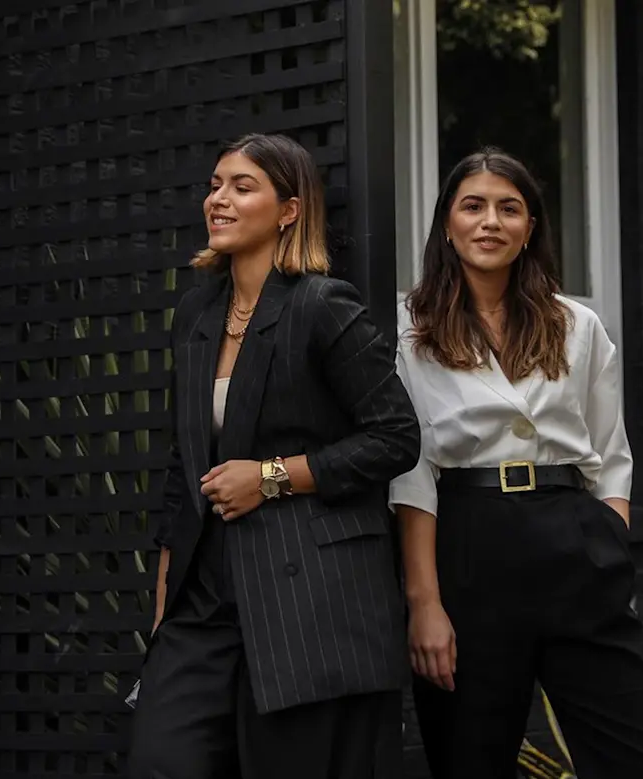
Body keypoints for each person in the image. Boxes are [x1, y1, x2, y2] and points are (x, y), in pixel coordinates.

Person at [390, 148, 643, 779]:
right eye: (472, 206)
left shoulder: (576, 325)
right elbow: (411, 474)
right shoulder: (407, 330)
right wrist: (425, 603)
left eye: (509, 208)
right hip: (468, 548)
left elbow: (611, 454)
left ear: (530, 228)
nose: (490, 221)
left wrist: (609, 541)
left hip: (574, 543)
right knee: (471, 759)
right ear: (447, 223)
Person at [128, 133, 421, 779]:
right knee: (159, 760)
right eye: (214, 185)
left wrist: (271, 477)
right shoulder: (196, 314)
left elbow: (396, 436)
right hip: (204, 600)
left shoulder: (321, 305)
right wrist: (164, 605)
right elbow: (185, 467)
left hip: (304, 603)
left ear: (289, 210)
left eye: (241, 186)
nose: (219, 199)